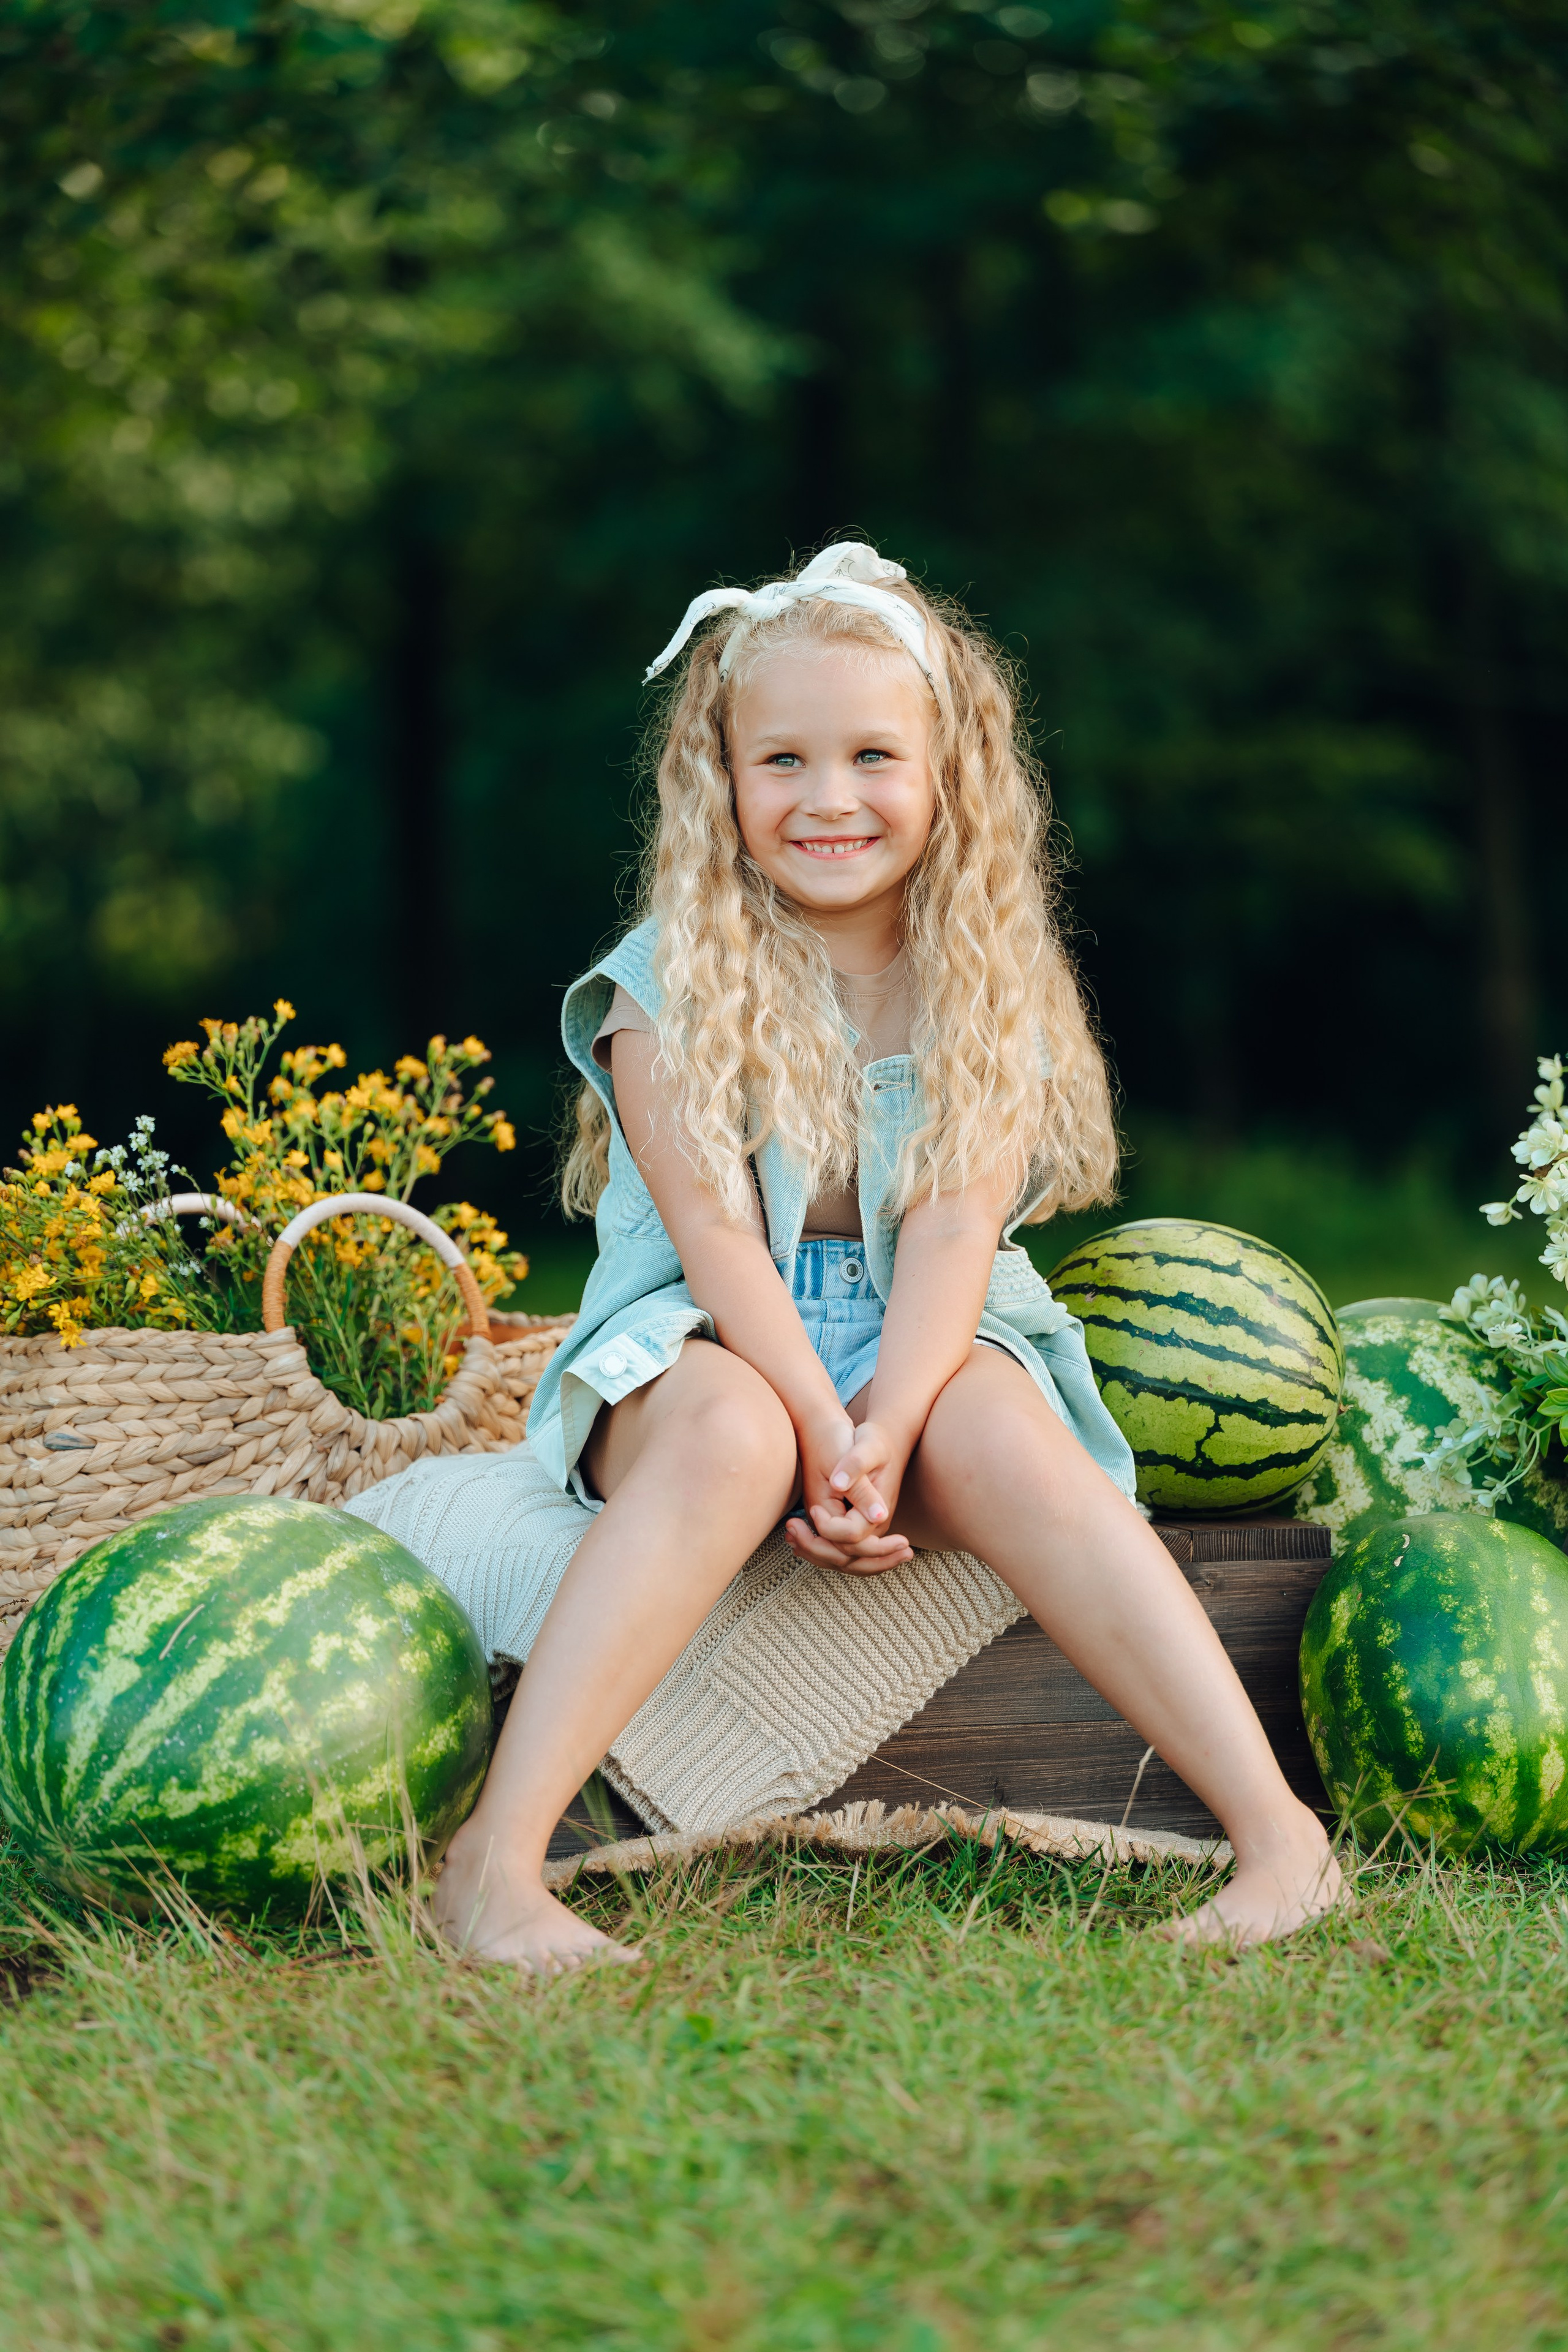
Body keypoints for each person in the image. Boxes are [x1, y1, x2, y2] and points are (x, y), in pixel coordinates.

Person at [433, 543, 1341, 1969]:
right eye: (781, 759)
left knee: (1006, 1442)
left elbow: (952, 1242)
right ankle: (495, 1865)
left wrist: (889, 1432)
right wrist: (810, 1423)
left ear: (945, 774)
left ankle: (1280, 1839)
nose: (829, 798)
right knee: (731, 1434)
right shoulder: (662, 984)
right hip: (703, 1334)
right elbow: (715, 1245)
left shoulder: (980, 976)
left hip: (930, 1318)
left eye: (870, 755)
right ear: (719, 781)